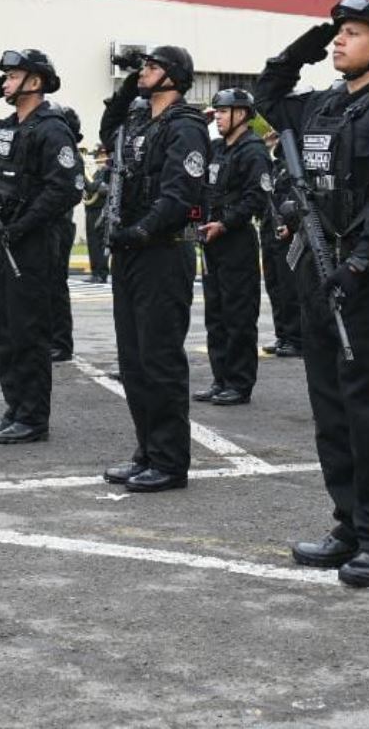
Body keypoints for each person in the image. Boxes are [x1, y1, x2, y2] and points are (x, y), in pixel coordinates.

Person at [256, 0, 369, 588]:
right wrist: (313, 37)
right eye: (338, 34)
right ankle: (350, 524)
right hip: (320, 277)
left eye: (351, 34)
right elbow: (269, 93)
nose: (338, 42)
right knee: (334, 414)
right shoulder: (326, 106)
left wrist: (358, 262)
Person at [98, 47, 208, 492]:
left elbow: (180, 193)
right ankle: (146, 451)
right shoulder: (141, 121)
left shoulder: (186, 127)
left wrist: (141, 231)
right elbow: (108, 129)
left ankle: (169, 461)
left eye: (151, 67)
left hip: (162, 250)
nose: (143, 72)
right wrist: (130, 81)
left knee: (159, 360)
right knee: (134, 361)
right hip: (131, 252)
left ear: (175, 76)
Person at [0, 48, 80, 444]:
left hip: (32, 241)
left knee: (29, 331)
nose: (6, 82)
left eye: (14, 76)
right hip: (5, 237)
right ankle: (14, 407)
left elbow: (66, 188)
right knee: (6, 329)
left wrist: (24, 224)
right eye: (5, 76)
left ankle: (33, 417)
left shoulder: (51, 128)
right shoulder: (9, 127)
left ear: (35, 82)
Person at [198, 87, 271, 406]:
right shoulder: (218, 148)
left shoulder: (253, 151)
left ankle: (239, 384)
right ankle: (221, 378)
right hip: (211, 241)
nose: (218, 117)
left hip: (235, 240)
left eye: (223, 112)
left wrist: (225, 223)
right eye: (216, 112)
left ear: (241, 114)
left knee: (238, 315)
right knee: (215, 314)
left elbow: (256, 197)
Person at [259, 130, 305, 359]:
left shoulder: (295, 166)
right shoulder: (276, 166)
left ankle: (296, 338)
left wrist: (292, 225)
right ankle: (283, 335)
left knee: (289, 288)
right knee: (274, 286)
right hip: (270, 230)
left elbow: (298, 198)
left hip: (288, 232)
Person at [46, 105, 86, 362]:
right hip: (48, 225)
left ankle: (61, 343)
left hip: (58, 225)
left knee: (54, 285)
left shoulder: (69, 154)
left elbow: (70, 193)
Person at [83, 149, 111, 283]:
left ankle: (101, 273)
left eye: (103, 155)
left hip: (101, 210)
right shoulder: (94, 172)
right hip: (91, 209)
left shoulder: (107, 171)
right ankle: (95, 271)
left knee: (100, 242)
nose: (101, 158)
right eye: (99, 155)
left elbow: (101, 188)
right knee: (92, 243)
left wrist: (90, 184)